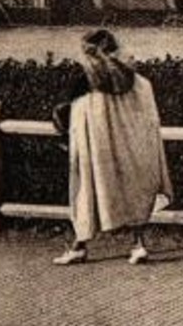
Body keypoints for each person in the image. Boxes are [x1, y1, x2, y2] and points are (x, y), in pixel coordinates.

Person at [50, 30, 172, 265]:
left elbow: (63, 111)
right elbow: (148, 116)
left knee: (87, 192)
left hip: (96, 150)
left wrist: (64, 135)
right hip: (130, 147)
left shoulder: (84, 78)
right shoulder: (136, 80)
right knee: (133, 190)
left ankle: (79, 246)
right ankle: (138, 245)